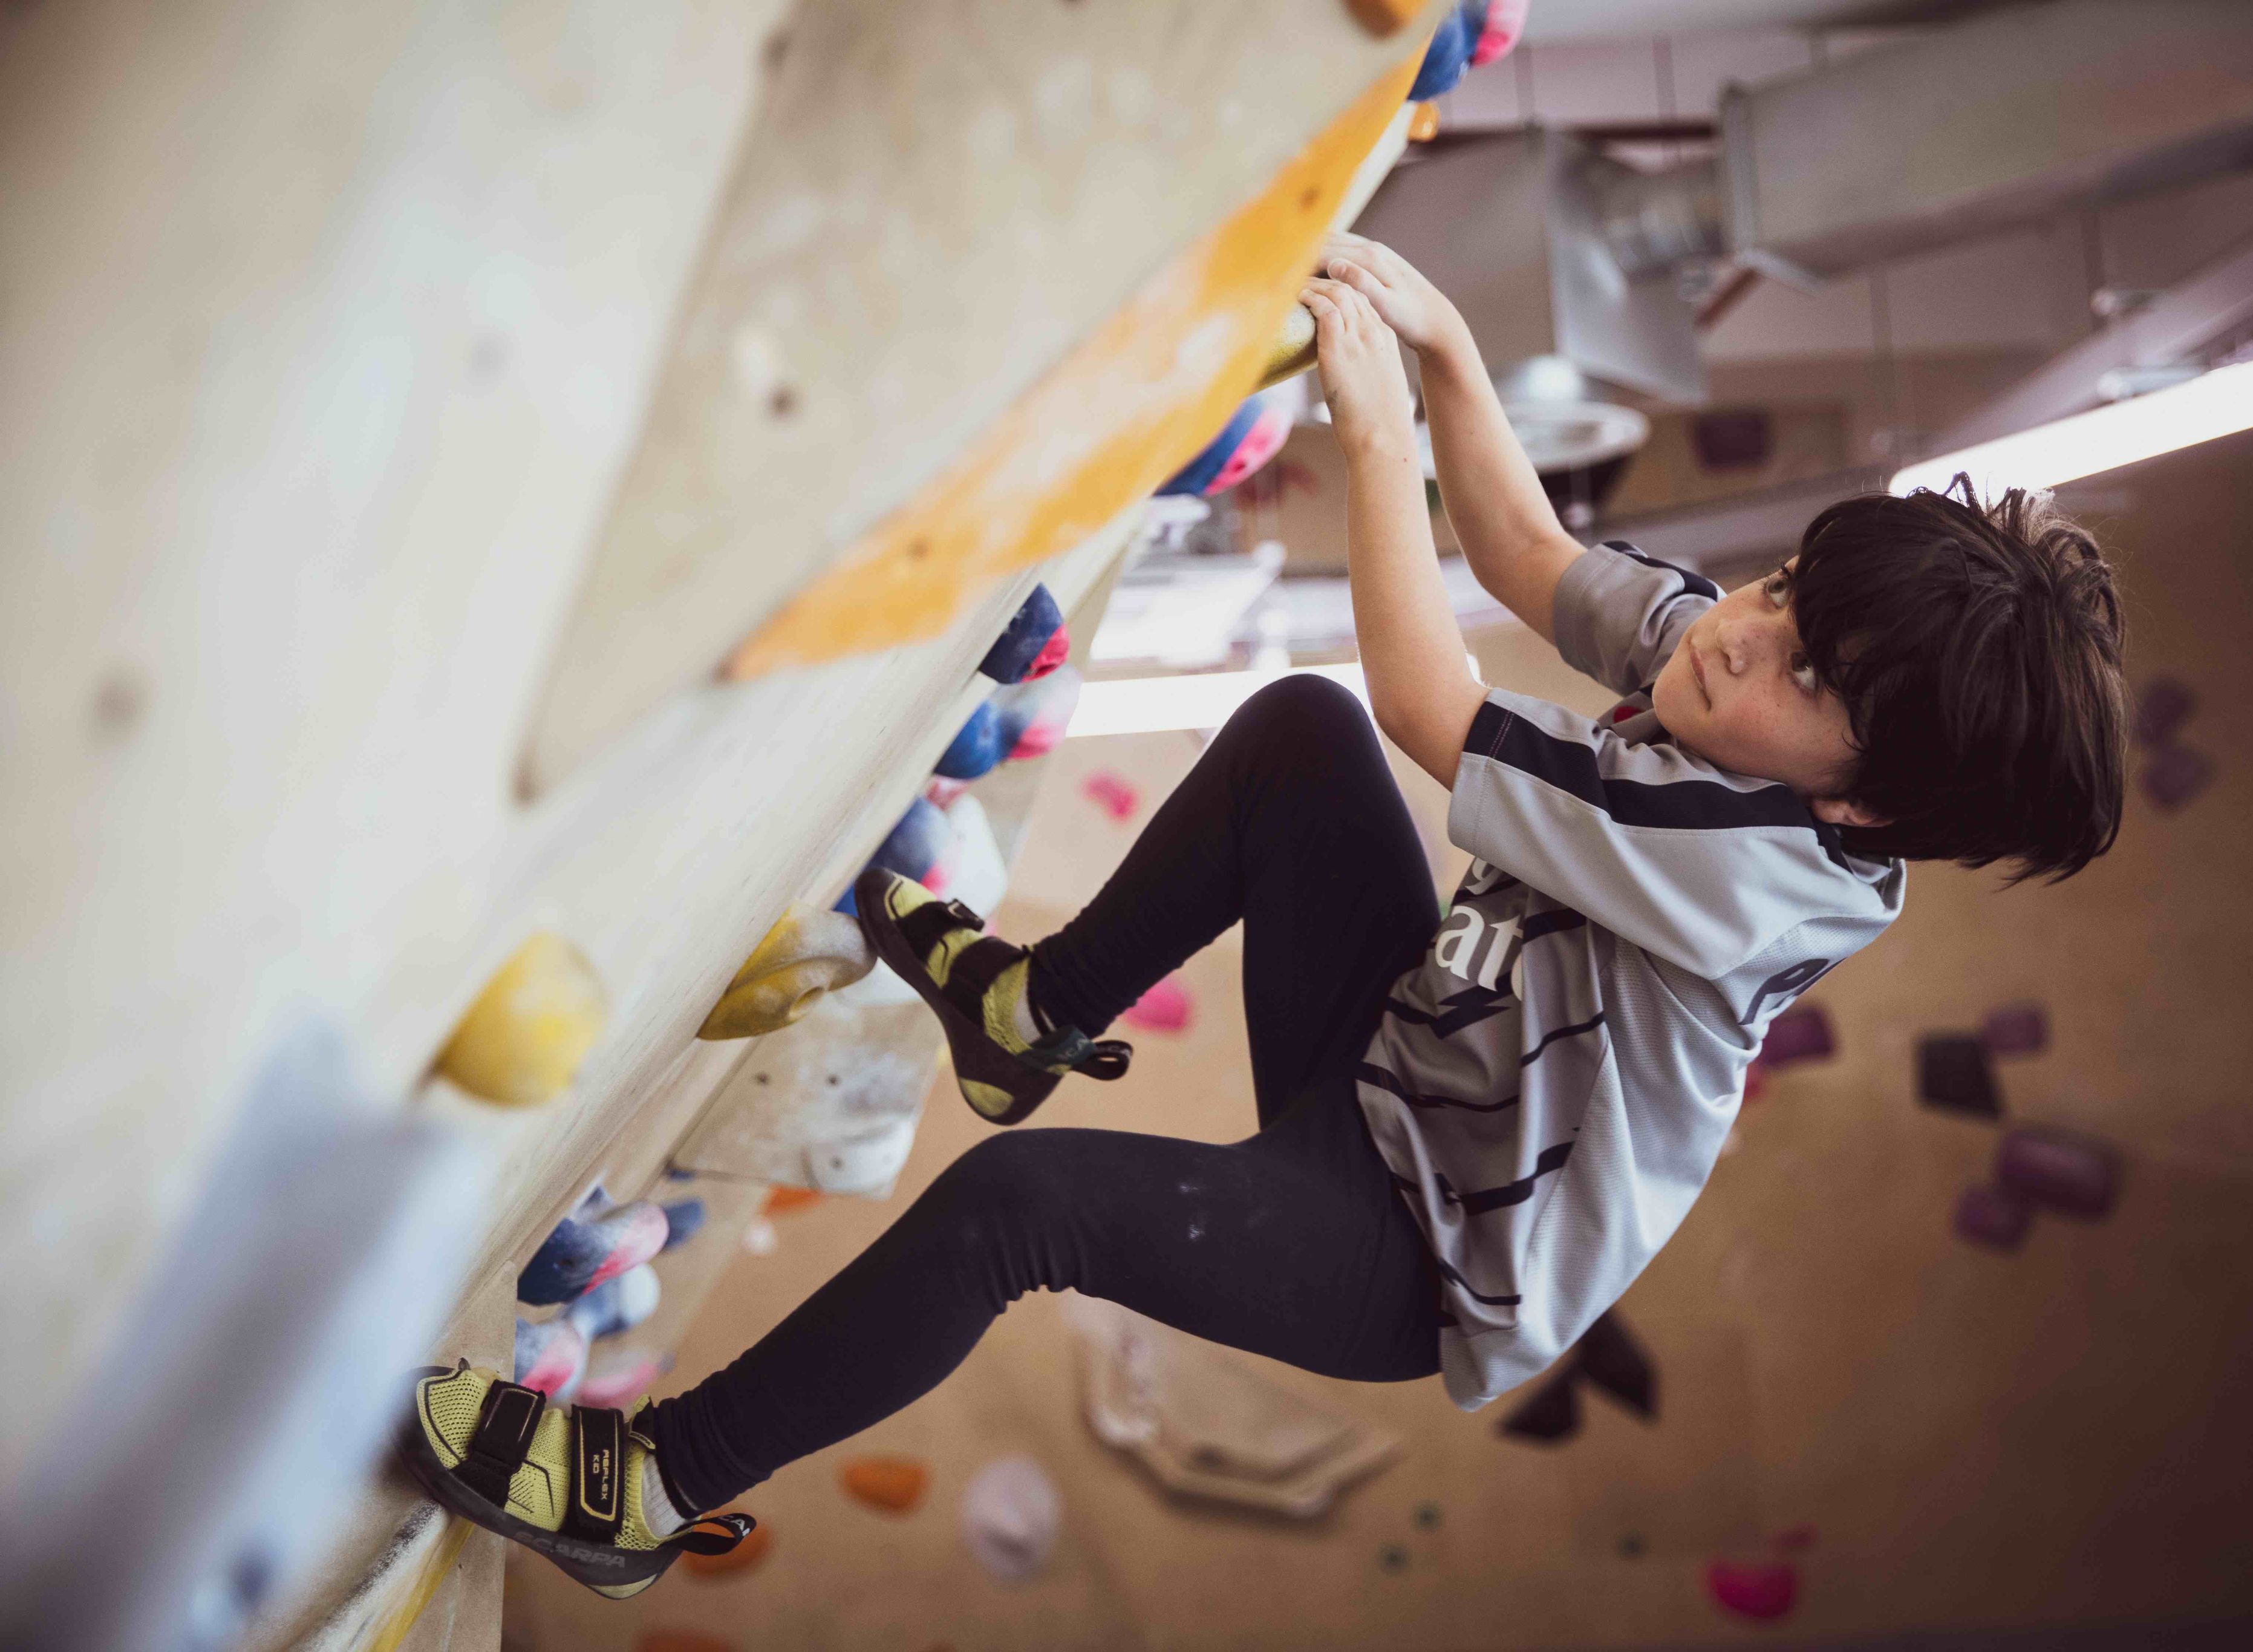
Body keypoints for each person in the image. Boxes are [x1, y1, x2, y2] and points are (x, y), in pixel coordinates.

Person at [397, 233, 2129, 1596]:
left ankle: (654, 1484)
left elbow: (1434, 702)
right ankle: (1027, 1013)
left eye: (1804, 666)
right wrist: (1448, 351)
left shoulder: (1759, 866)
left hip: (1420, 1250)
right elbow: (1527, 552)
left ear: (1865, 803)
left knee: (1024, 1209)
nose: (1743, 634)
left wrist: (1373, 431)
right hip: (1397, 1050)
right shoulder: (1725, 666)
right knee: (1290, 735)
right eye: (1778, 590)